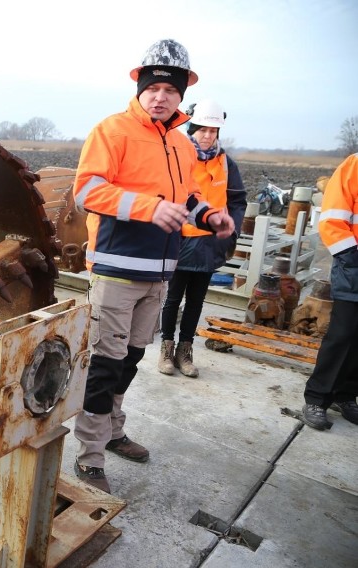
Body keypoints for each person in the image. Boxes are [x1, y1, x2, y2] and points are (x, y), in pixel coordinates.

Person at [72, 39, 235, 493]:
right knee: (105, 363)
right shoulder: (113, 131)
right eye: (154, 87)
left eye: (170, 89)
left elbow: (186, 197)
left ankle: (113, 429)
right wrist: (145, 207)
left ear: (182, 95)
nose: (161, 96)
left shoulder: (182, 146)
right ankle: (89, 455)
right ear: (140, 87)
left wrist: (208, 215)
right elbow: (86, 192)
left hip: (160, 269)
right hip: (116, 269)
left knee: (132, 358)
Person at [158, 100, 246, 377]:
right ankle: (166, 350)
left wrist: (231, 232)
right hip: (179, 241)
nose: (208, 136)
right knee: (172, 299)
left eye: (213, 131)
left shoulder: (226, 163)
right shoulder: (178, 155)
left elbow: (237, 200)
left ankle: (186, 351)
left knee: (196, 301)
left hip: (209, 246)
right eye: (203, 130)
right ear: (192, 128)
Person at [301, 153, 358, 430]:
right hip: (354, 267)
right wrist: (351, 255)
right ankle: (317, 398)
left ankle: (346, 395)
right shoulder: (354, 165)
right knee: (342, 334)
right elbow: (333, 218)